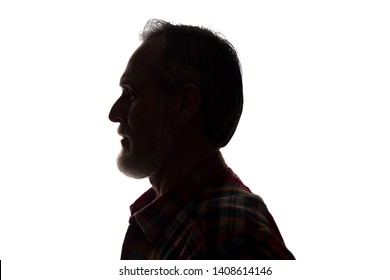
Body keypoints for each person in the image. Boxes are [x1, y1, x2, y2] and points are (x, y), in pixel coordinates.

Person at [108, 19, 295, 260]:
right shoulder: (182, 221)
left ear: (184, 104)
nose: (114, 113)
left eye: (131, 93)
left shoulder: (228, 237)